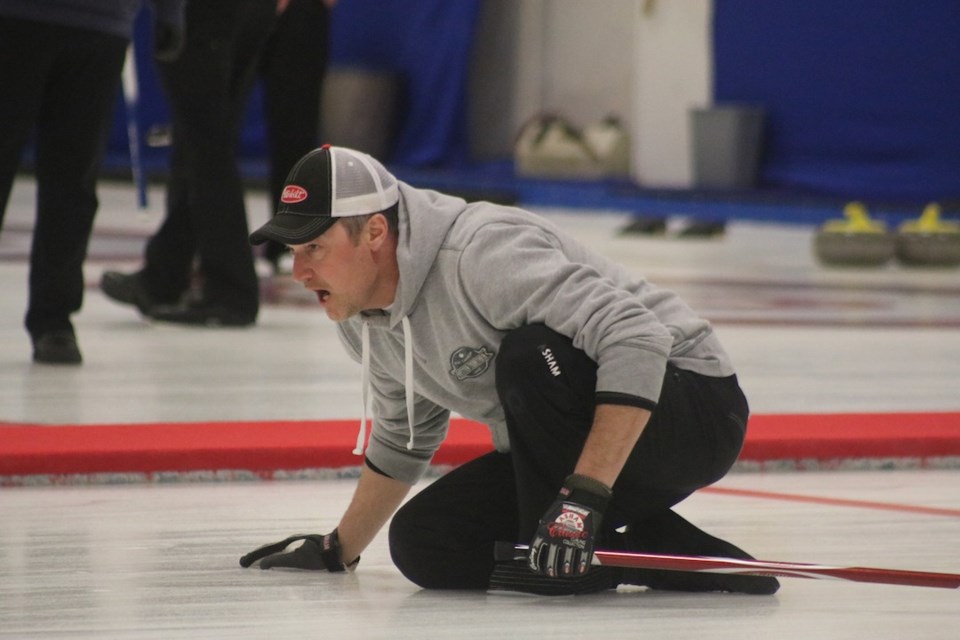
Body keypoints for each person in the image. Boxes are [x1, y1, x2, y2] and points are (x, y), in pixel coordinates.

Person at [239, 145, 780, 596]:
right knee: (425, 543)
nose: (300, 271)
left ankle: (577, 539)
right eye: (293, 250)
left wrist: (582, 500)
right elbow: (406, 437)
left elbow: (637, 338)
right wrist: (338, 549)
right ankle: (642, 555)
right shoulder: (362, 314)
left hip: (692, 410)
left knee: (529, 357)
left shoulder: (481, 252)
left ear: (375, 232)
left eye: (314, 247)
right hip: (573, 444)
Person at [0, 0, 184, 364]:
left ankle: (54, 319)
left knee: (74, 178)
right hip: (16, 18)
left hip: (101, 25)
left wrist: (170, 11)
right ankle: (54, 318)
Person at [100, 0, 277, 327]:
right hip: (250, 10)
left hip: (203, 11)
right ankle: (164, 275)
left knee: (204, 140)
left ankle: (230, 290)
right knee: (204, 138)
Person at [258, 0, 335, 274]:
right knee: (206, 125)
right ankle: (194, 243)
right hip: (231, 12)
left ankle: (289, 239)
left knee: (294, 131)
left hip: (300, 13)